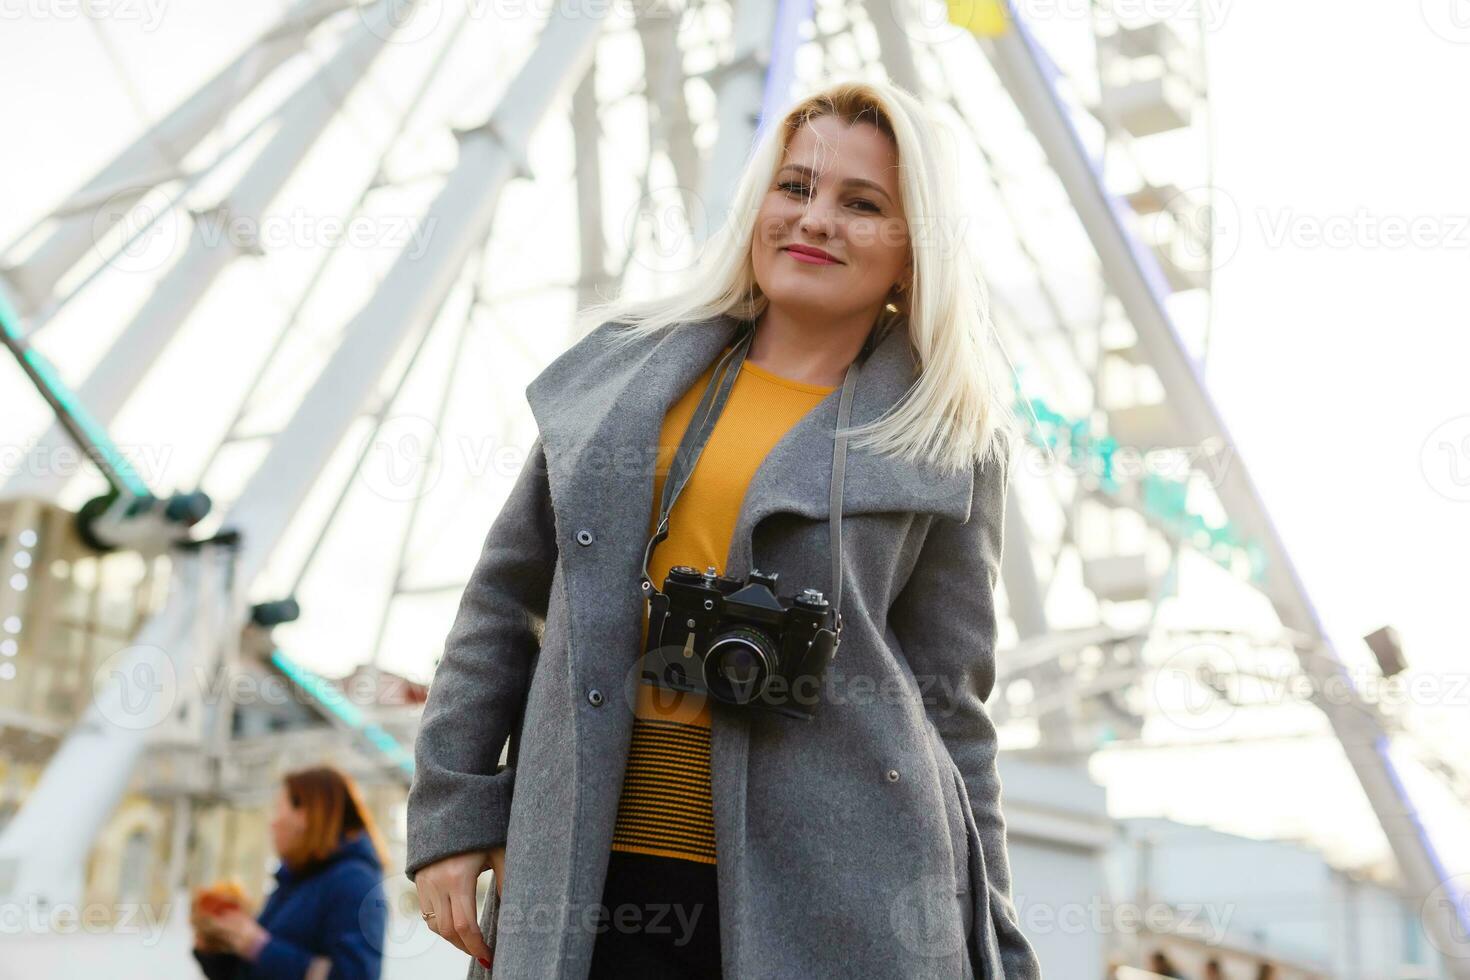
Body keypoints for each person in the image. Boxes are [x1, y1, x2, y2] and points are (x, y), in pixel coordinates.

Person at [408, 77, 1040, 979]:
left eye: (861, 204)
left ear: (911, 249)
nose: (816, 219)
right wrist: (454, 815)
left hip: (842, 902)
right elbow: (501, 608)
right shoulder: (620, 380)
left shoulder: (949, 440)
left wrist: (1002, 951)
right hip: (587, 873)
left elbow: (951, 707)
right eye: (795, 188)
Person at [192, 765, 390, 979]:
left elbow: (357, 975)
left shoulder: (353, 881)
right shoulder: (292, 883)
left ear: (306, 816)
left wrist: (259, 946)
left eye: (278, 810)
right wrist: (216, 947)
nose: (273, 823)